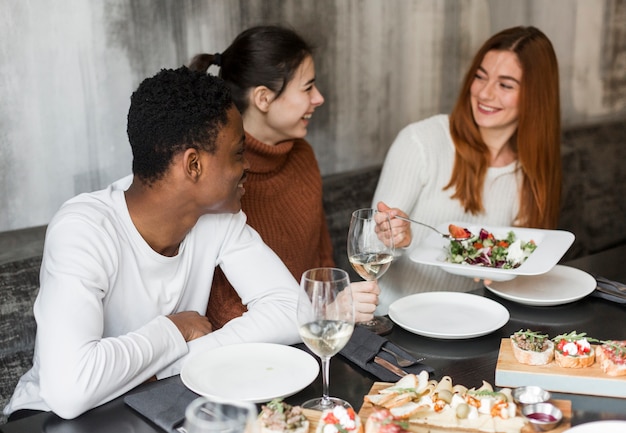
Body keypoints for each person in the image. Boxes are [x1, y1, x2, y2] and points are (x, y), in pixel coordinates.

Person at [4, 67, 302, 420]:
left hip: (155, 403)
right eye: (238, 153)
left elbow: (293, 311)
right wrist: (172, 331)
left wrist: (174, 361)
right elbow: (69, 390)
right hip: (48, 419)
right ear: (193, 165)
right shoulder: (84, 229)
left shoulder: (218, 217)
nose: (246, 164)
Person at [188, 25, 379, 328]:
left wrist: (331, 313)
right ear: (263, 99)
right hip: (258, 351)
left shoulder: (303, 156)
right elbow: (225, 315)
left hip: (316, 335)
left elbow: (323, 264)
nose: (319, 98)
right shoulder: (219, 179)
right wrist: (324, 313)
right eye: (307, 88)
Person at [373, 26, 562, 314]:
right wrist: (395, 237)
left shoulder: (530, 169)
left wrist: (507, 274)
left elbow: (523, 261)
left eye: (505, 85)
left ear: (536, 97)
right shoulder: (421, 142)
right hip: (397, 322)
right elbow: (371, 245)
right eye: (480, 77)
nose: (484, 93)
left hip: (477, 322)